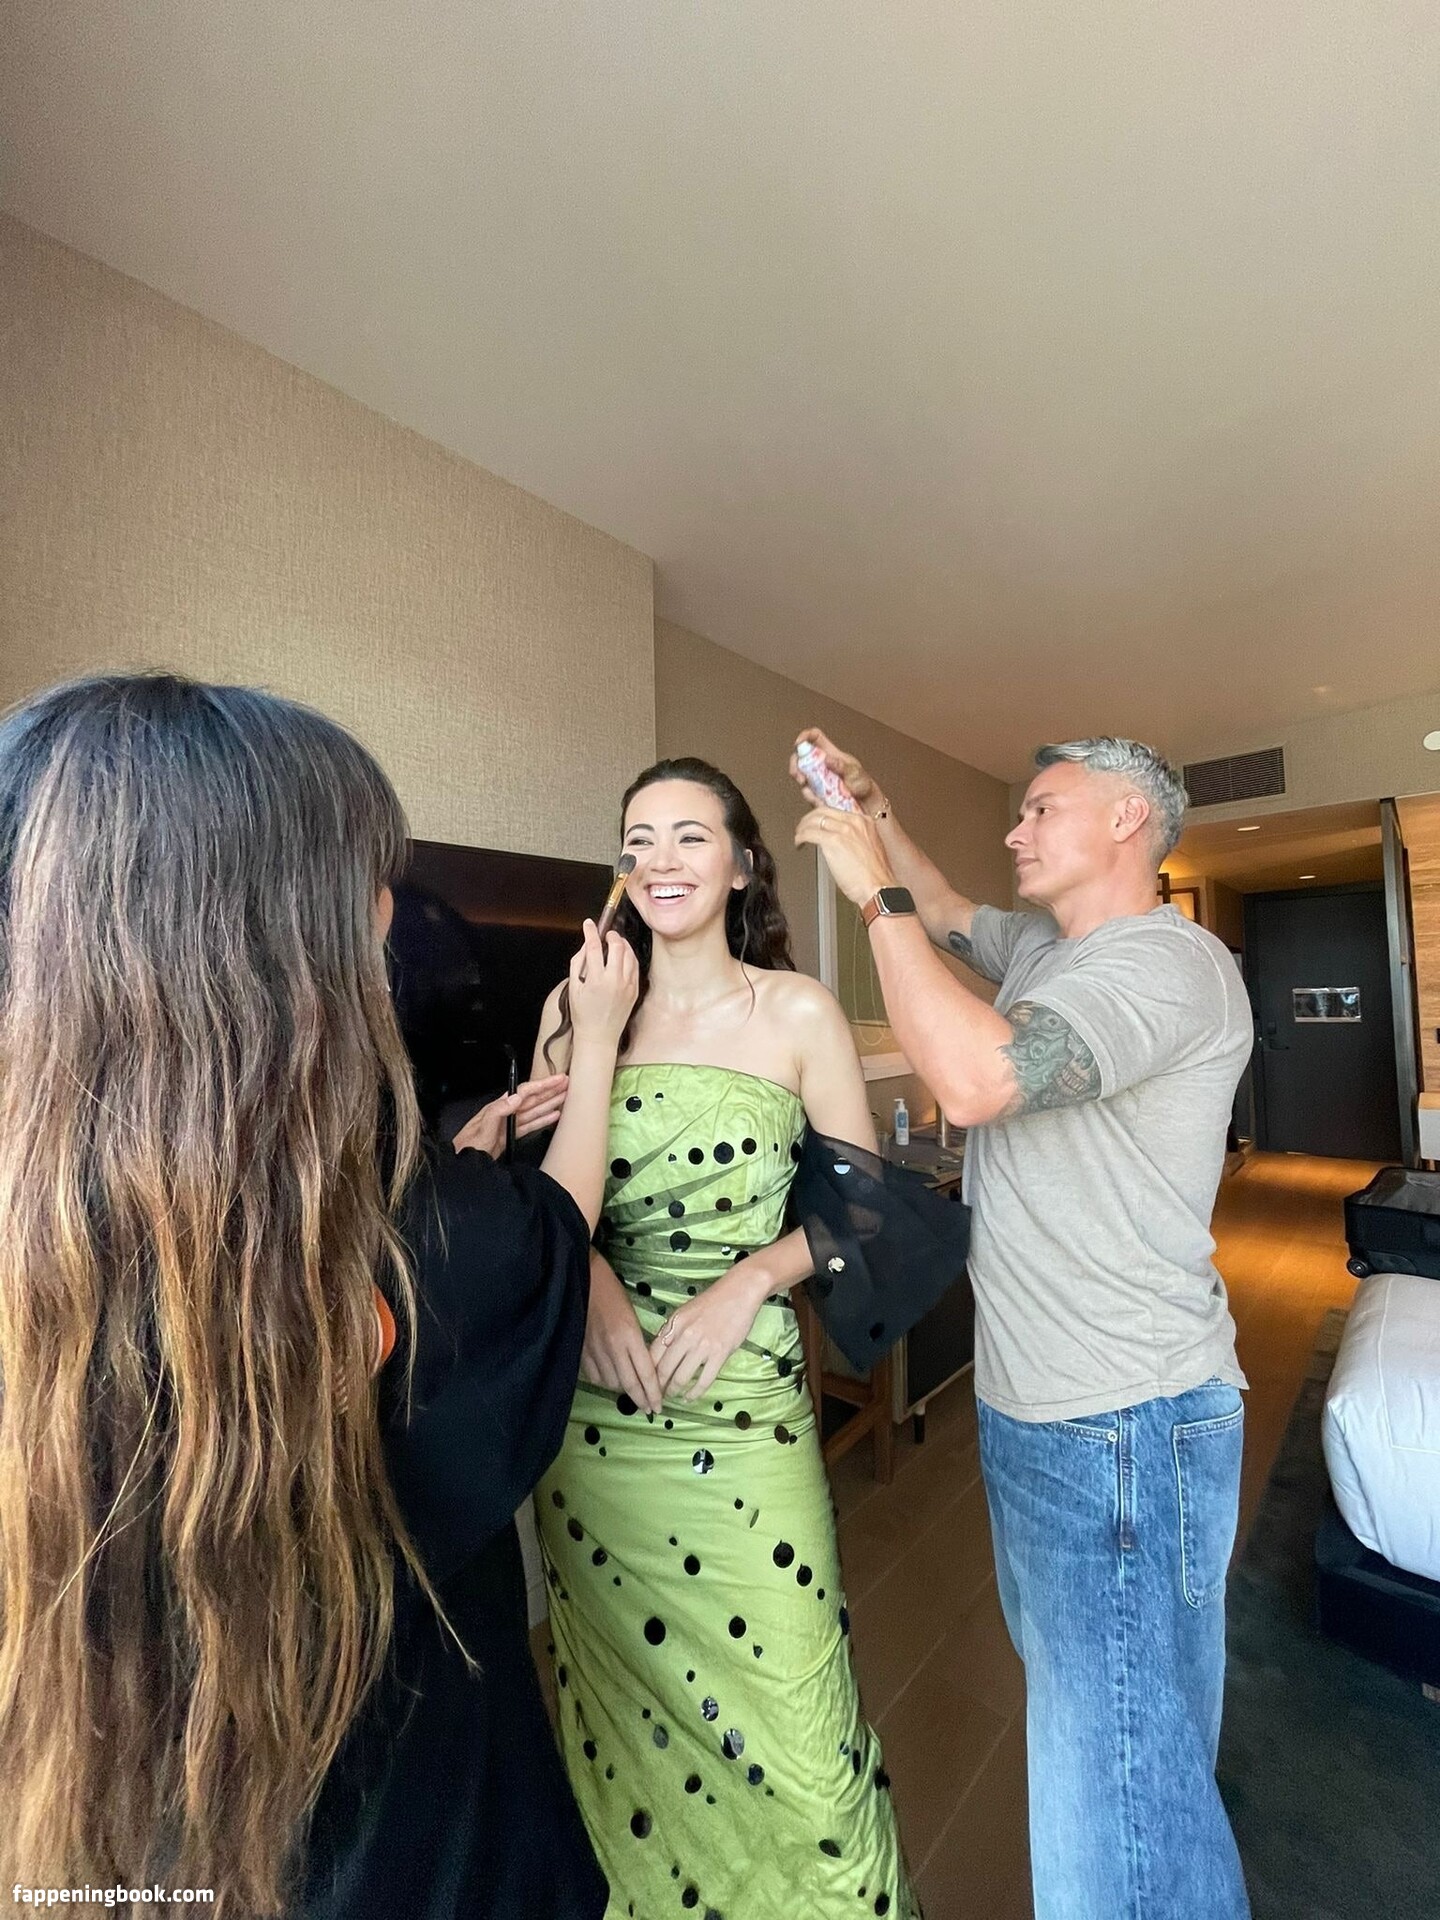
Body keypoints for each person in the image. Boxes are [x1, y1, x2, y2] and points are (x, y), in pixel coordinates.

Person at [0, 672, 638, 1920]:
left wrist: (458, 1158)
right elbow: (550, 1233)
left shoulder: (54, 1248)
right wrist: (598, 1040)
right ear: (282, 943)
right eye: (369, 885)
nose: (392, 915)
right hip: (420, 1853)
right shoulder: (429, 1251)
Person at [794, 730, 1253, 1920]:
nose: (1015, 828)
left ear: (1127, 819)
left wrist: (869, 891)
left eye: (1042, 808)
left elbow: (978, 1081)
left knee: (1120, 1812)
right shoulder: (1052, 949)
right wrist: (875, 811)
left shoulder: (1167, 964)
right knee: (1123, 1758)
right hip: (1051, 1413)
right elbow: (950, 913)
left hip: (1124, 1422)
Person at [531, 757, 920, 1920]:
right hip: (597, 1424)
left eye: (689, 837)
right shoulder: (575, 1007)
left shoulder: (795, 1011)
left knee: (800, 1725)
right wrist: (594, 1281)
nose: (660, 861)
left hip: (747, 1412)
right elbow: (536, 1200)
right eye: (638, 840)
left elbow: (865, 1205)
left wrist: (751, 1280)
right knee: (625, 1726)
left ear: (744, 864)